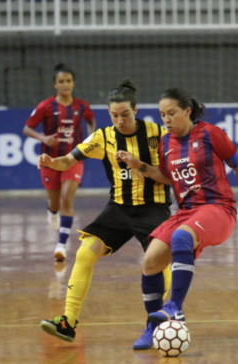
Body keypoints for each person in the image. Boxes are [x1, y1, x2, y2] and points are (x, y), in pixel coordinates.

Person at [116, 88, 238, 342]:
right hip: (186, 211)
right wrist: (138, 165)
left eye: (171, 113)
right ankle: (154, 328)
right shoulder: (165, 142)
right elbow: (166, 177)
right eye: (162, 115)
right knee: (150, 260)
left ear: (187, 111)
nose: (166, 119)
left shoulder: (210, 133)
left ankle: (175, 306)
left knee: (181, 238)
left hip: (218, 208)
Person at [38, 79, 172, 350]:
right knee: (86, 251)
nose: (120, 121)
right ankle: (68, 322)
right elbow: (68, 160)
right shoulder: (103, 137)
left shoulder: (158, 134)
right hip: (118, 209)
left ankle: (157, 322)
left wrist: (140, 166)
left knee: (158, 261)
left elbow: (171, 177)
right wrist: (53, 162)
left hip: (154, 209)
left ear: (135, 110)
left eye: (125, 114)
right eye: (114, 116)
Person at [23, 63, 96, 261]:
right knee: (56, 202)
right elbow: (27, 129)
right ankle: (51, 210)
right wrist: (44, 138)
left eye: (69, 81)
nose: (65, 85)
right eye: (61, 82)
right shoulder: (45, 106)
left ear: (73, 83)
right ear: (55, 84)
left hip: (73, 159)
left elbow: (90, 120)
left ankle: (61, 245)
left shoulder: (81, 106)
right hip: (50, 160)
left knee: (67, 199)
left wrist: (90, 138)